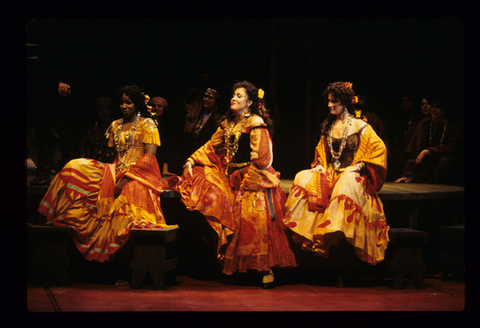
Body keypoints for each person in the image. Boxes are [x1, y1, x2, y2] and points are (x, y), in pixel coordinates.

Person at [171, 81, 297, 288]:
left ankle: (266, 269)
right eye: (234, 95)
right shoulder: (228, 124)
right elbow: (211, 146)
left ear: (249, 102)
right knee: (206, 186)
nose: (234, 98)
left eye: (239, 96)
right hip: (231, 174)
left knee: (253, 215)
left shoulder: (255, 122)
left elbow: (262, 157)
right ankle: (239, 267)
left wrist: (248, 180)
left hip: (253, 177)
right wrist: (192, 160)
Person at [38, 85, 176, 263]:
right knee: (74, 166)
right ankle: (48, 216)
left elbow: (149, 158)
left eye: (129, 103)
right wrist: (111, 176)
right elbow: (115, 157)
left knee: (124, 209)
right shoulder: (115, 125)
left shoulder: (147, 124)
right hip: (116, 170)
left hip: (141, 174)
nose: (124, 106)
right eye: (122, 103)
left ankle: (123, 263)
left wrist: (126, 179)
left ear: (137, 104)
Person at [283, 81, 389, 266]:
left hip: (351, 174)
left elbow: (378, 149)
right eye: (329, 101)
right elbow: (323, 152)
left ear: (345, 102)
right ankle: (310, 233)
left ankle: (333, 231)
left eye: (335, 102)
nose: (331, 105)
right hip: (332, 171)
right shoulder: (329, 126)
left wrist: (358, 165)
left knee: (346, 182)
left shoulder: (360, 126)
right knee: (303, 176)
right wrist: (320, 165)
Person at [394, 94, 464, 185]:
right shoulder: (426, 125)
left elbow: (453, 148)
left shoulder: (454, 126)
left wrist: (428, 151)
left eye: (438, 107)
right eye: (433, 107)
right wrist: (408, 175)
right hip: (428, 166)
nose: (434, 110)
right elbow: (414, 150)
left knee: (445, 162)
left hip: (446, 166)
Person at [183, 88, 223, 157]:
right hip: (195, 152)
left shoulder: (217, 119)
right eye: (205, 96)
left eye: (210, 98)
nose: (206, 99)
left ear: (216, 101)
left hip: (206, 154)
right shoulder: (200, 113)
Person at [148, 96, 182, 176]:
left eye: (159, 106)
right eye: (154, 106)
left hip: (162, 161)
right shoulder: (144, 122)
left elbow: (169, 147)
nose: (156, 108)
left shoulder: (169, 124)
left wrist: (165, 169)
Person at [80, 97, 116, 163]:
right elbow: (84, 149)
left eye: (102, 110)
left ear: (109, 111)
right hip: (92, 163)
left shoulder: (116, 127)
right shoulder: (92, 129)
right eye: (98, 110)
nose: (99, 113)